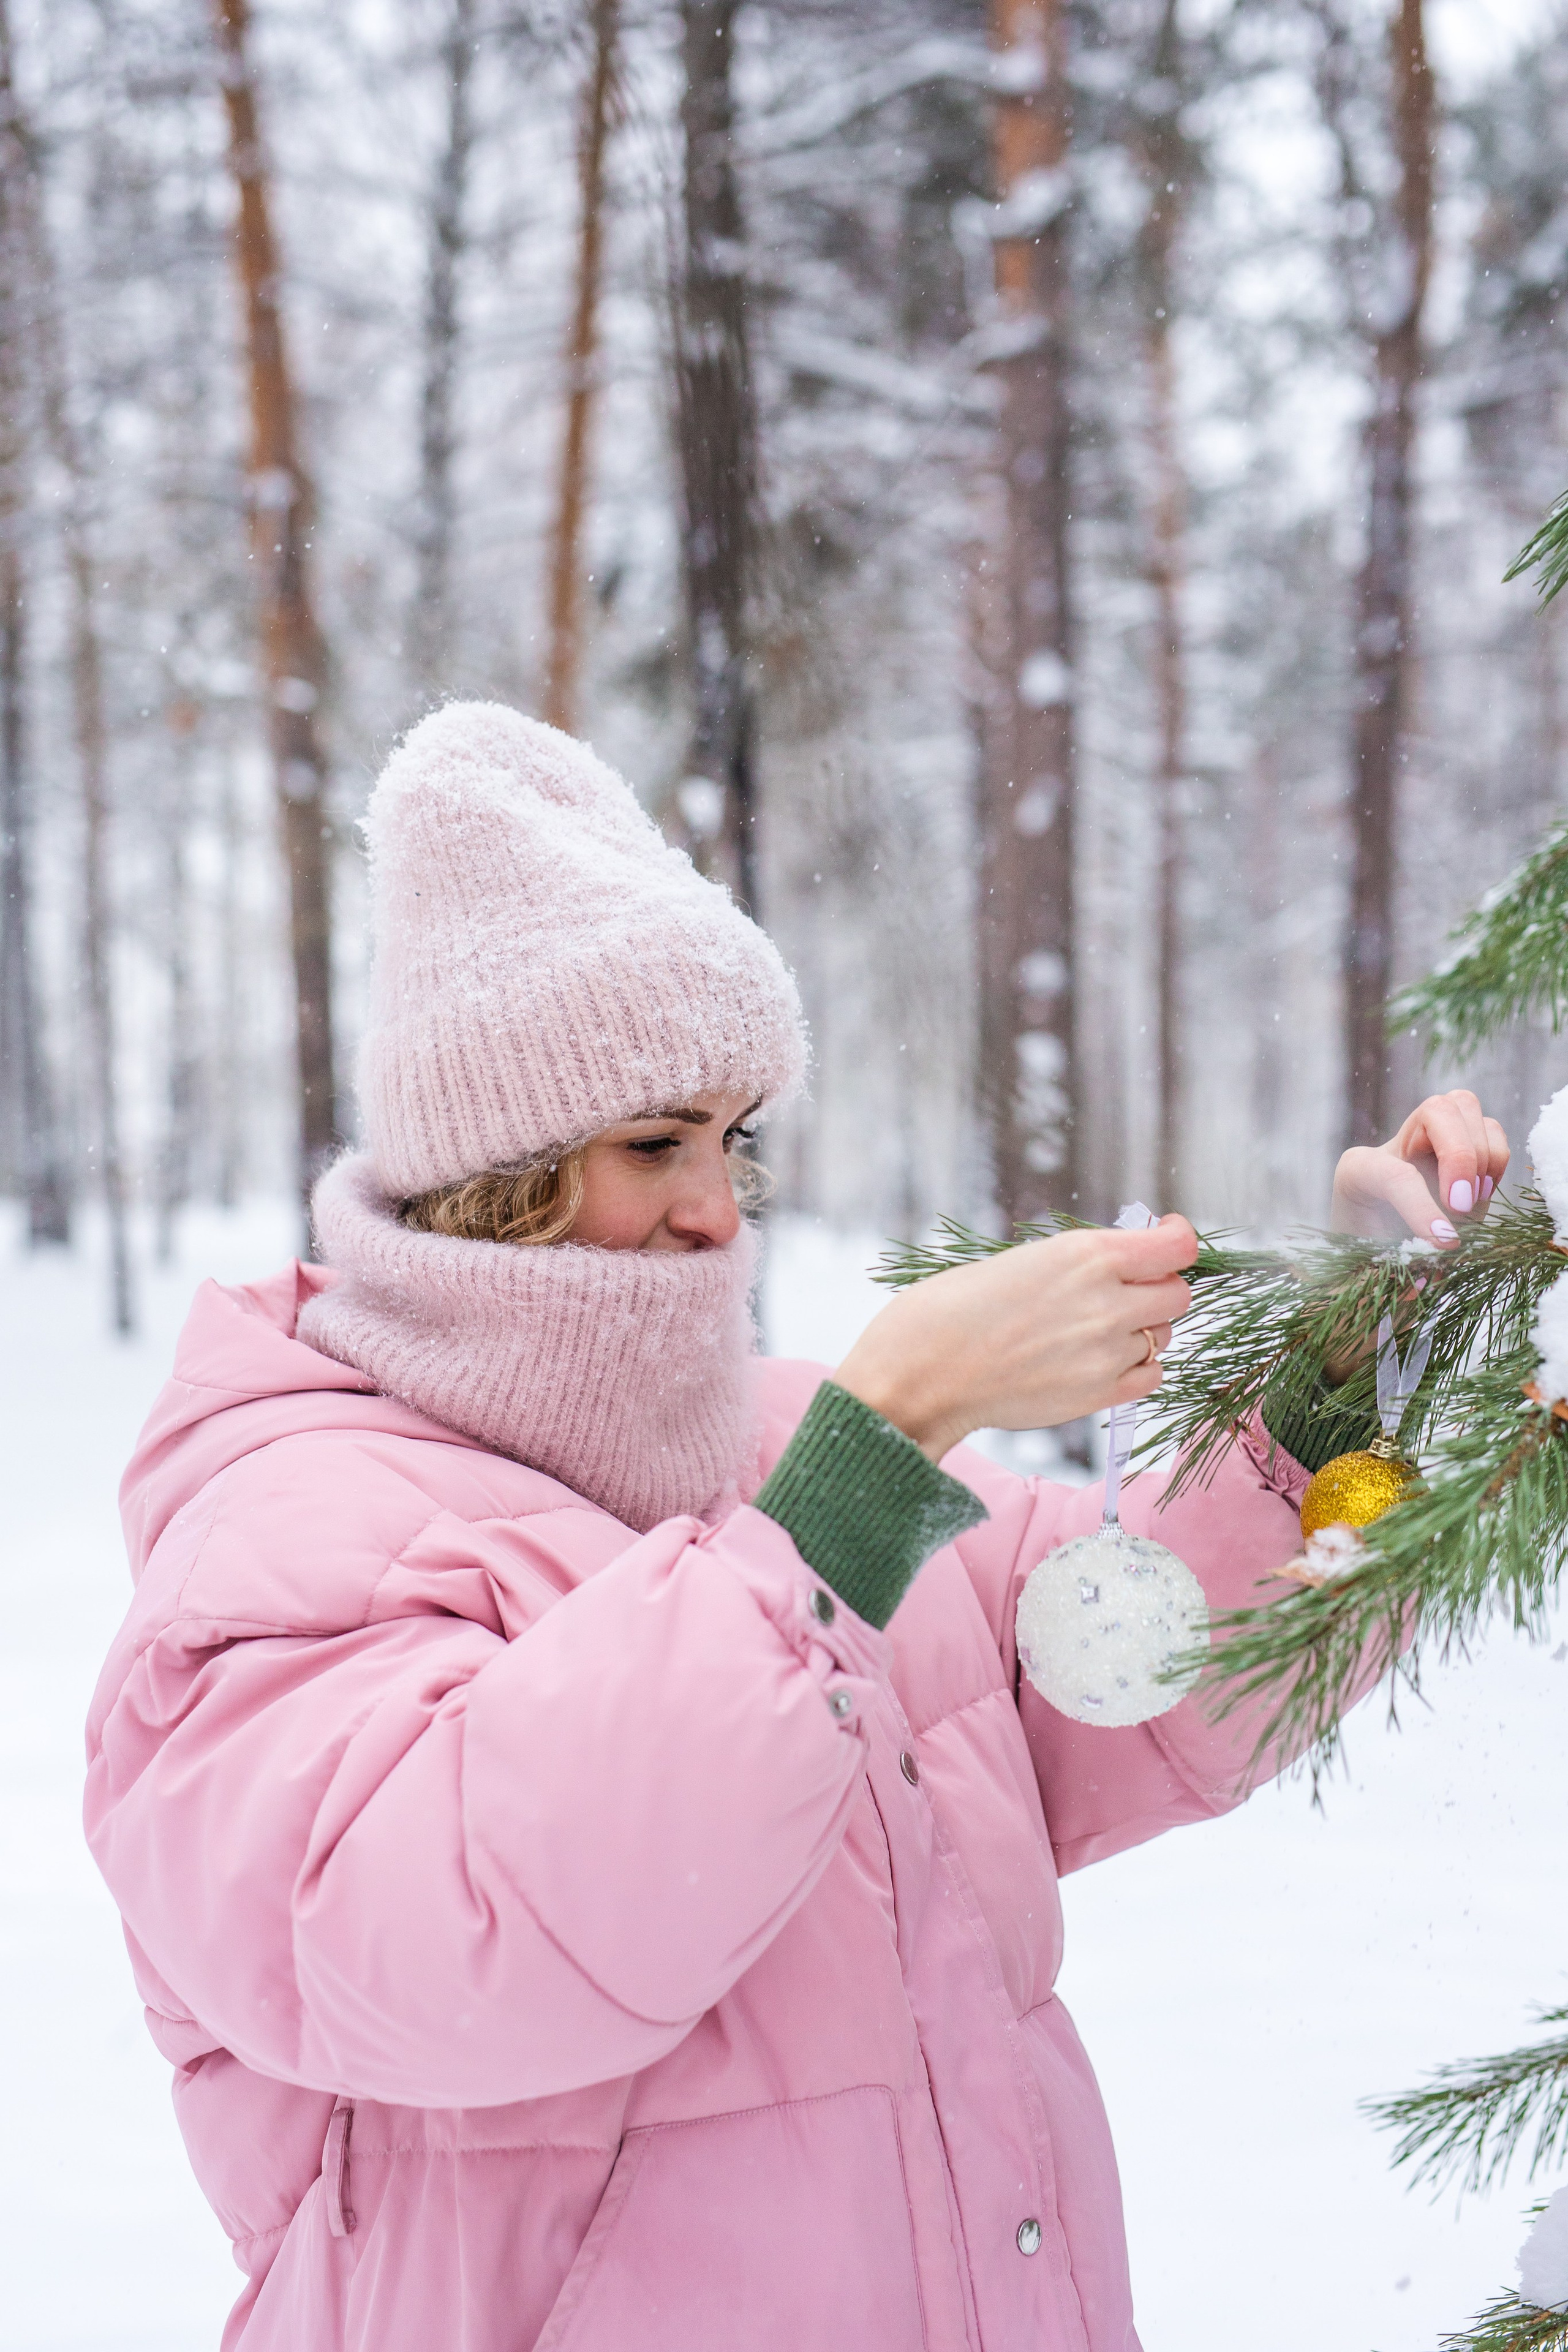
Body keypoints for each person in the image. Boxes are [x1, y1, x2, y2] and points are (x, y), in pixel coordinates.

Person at [86, 702, 1510, 2352]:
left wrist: (1340, 1376)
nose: (716, 1207)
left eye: (731, 1140)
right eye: (653, 1145)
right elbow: (464, 1935)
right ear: (493, 1170)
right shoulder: (281, 1537)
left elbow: (1125, 1668)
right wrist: (874, 1454)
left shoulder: (778, 1451)